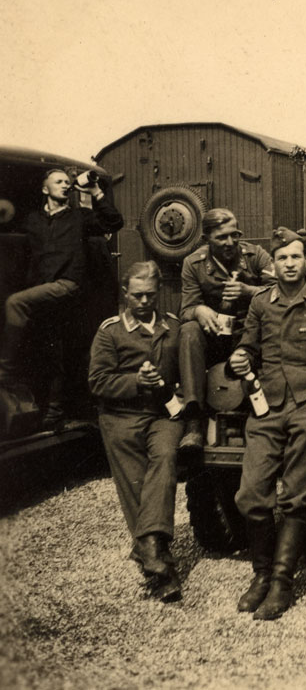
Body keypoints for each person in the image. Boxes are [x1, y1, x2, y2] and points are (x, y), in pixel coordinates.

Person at [228, 227, 306, 621]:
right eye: (282, 259)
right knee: (250, 496)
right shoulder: (261, 302)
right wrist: (242, 357)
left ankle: (281, 581)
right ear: (272, 264)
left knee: (297, 496)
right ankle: (260, 574)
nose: (290, 264)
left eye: (296, 257)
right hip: (267, 406)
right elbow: (248, 344)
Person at [88, 261, 183, 602]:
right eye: (137, 295)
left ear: (157, 293)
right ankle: (159, 566)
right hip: (120, 417)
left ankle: (150, 555)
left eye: (150, 295)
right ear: (125, 294)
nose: (144, 301)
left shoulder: (173, 326)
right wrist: (134, 381)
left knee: (166, 460)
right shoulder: (110, 331)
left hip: (162, 415)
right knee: (135, 485)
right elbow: (97, 381)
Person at [0, 168, 123, 420]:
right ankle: (54, 411)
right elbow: (7, 218)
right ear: (45, 189)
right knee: (53, 350)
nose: (65, 185)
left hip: (69, 285)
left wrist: (96, 191)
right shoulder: (32, 220)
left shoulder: (80, 217)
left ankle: (4, 372)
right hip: (45, 292)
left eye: (68, 182)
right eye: (58, 182)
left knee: (15, 302)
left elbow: (114, 222)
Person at [178, 208, 274, 450]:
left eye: (234, 234)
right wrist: (198, 310)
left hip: (251, 335)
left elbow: (282, 291)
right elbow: (185, 310)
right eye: (221, 237)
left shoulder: (255, 255)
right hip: (216, 337)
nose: (230, 242)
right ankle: (193, 422)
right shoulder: (193, 264)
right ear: (206, 238)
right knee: (189, 330)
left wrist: (250, 292)